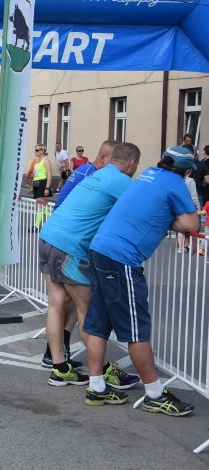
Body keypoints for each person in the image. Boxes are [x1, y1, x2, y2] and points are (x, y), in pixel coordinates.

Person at [84, 146, 198, 416]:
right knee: (136, 328)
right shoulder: (175, 182)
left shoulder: (149, 173)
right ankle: (154, 394)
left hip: (99, 248)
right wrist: (168, 219)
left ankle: (96, 386)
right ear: (188, 171)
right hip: (121, 258)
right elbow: (191, 223)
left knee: (100, 322)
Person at [38, 143, 142, 394]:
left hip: (48, 235)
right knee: (87, 309)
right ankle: (103, 370)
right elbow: (142, 208)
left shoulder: (98, 173)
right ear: (132, 164)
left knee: (56, 302)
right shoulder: (121, 181)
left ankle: (59, 368)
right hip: (70, 247)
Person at [40, 140, 117, 368]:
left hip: (53, 235)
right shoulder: (91, 176)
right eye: (115, 163)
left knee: (62, 301)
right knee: (81, 304)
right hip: (68, 242)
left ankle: (56, 357)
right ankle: (98, 368)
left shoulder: (85, 172)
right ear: (102, 158)